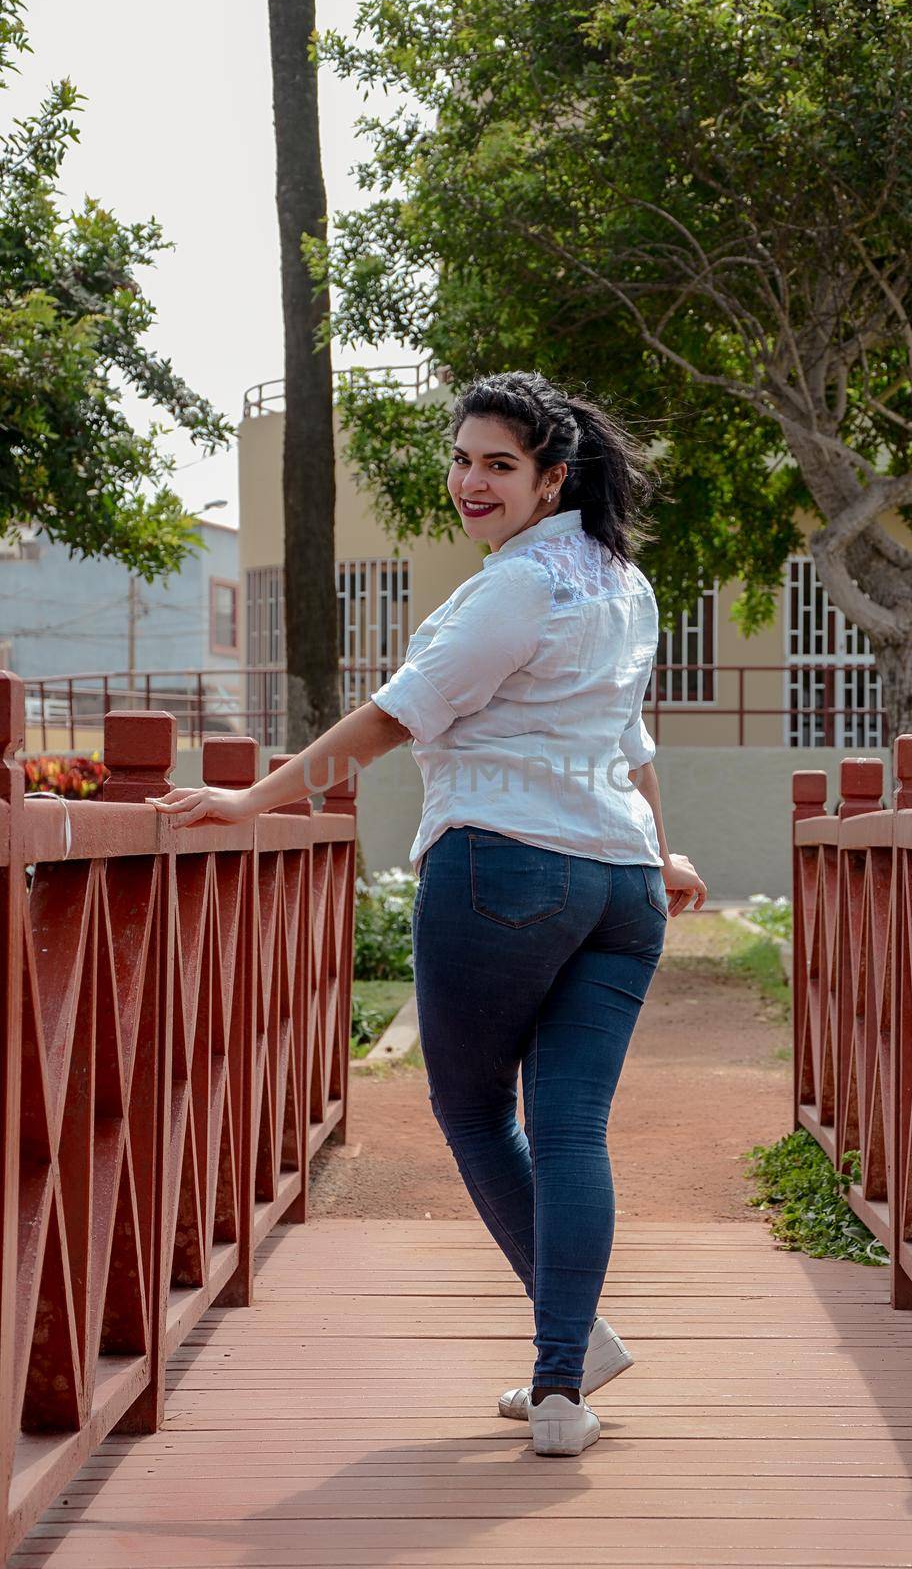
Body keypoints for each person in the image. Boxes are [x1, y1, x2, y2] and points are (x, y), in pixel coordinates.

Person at [148, 369, 708, 1458]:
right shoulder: (622, 586)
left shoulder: (513, 588)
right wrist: (663, 845)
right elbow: (626, 745)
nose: (470, 482)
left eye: (498, 464)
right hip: (621, 887)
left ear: (553, 478)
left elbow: (394, 716)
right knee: (572, 1127)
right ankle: (561, 1387)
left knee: (469, 1109)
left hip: (506, 866)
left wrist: (253, 797)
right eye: (461, 459)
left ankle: (568, 1358)